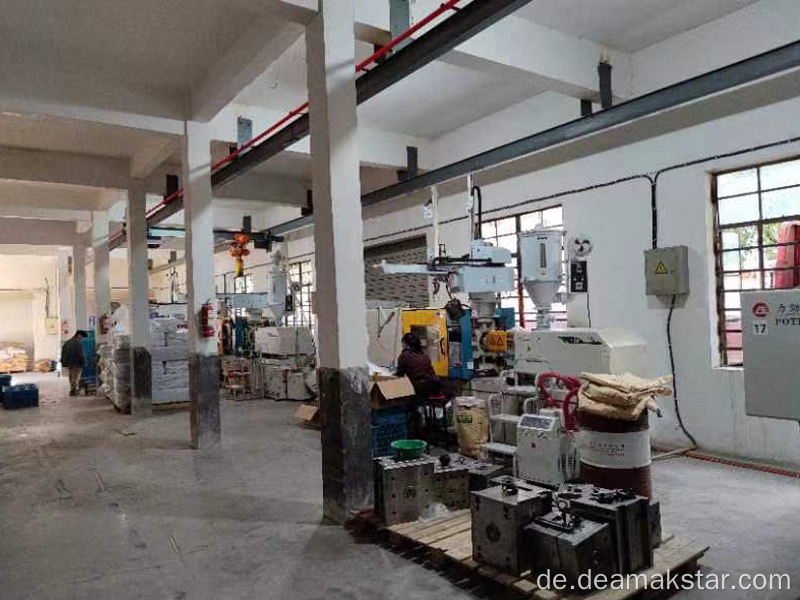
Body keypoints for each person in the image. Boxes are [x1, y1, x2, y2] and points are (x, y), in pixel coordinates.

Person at [396, 332, 443, 398]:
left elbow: (399, 375)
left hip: (421, 388)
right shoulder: (424, 355)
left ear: (405, 344)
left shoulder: (404, 355)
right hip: (436, 386)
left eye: (402, 343)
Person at [61, 330, 88, 396]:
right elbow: (81, 354)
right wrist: (84, 361)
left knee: (71, 376)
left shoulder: (68, 342)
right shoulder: (77, 342)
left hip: (69, 363)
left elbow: (63, 353)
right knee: (76, 377)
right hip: (77, 363)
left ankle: (72, 390)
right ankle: (74, 390)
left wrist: (64, 362)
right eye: (82, 337)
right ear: (79, 335)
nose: (82, 339)